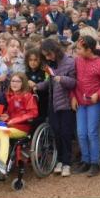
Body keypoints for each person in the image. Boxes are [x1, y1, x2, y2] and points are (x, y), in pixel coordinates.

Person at [37, 38, 77, 177]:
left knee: (66, 133)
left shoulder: (70, 62)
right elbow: (50, 82)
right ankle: (59, 160)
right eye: (45, 55)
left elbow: (74, 82)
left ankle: (67, 163)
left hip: (66, 103)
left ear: (55, 50)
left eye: (49, 54)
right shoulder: (49, 64)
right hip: (53, 104)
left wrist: (61, 79)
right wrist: (37, 86)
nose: (48, 57)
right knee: (56, 132)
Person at [72, 35, 100, 177]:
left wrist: (98, 94)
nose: (77, 51)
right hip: (80, 101)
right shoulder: (77, 61)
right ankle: (85, 160)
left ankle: (95, 162)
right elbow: (75, 80)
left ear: (89, 49)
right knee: (81, 132)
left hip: (94, 102)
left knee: (92, 132)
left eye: (80, 49)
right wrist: (73, 97)